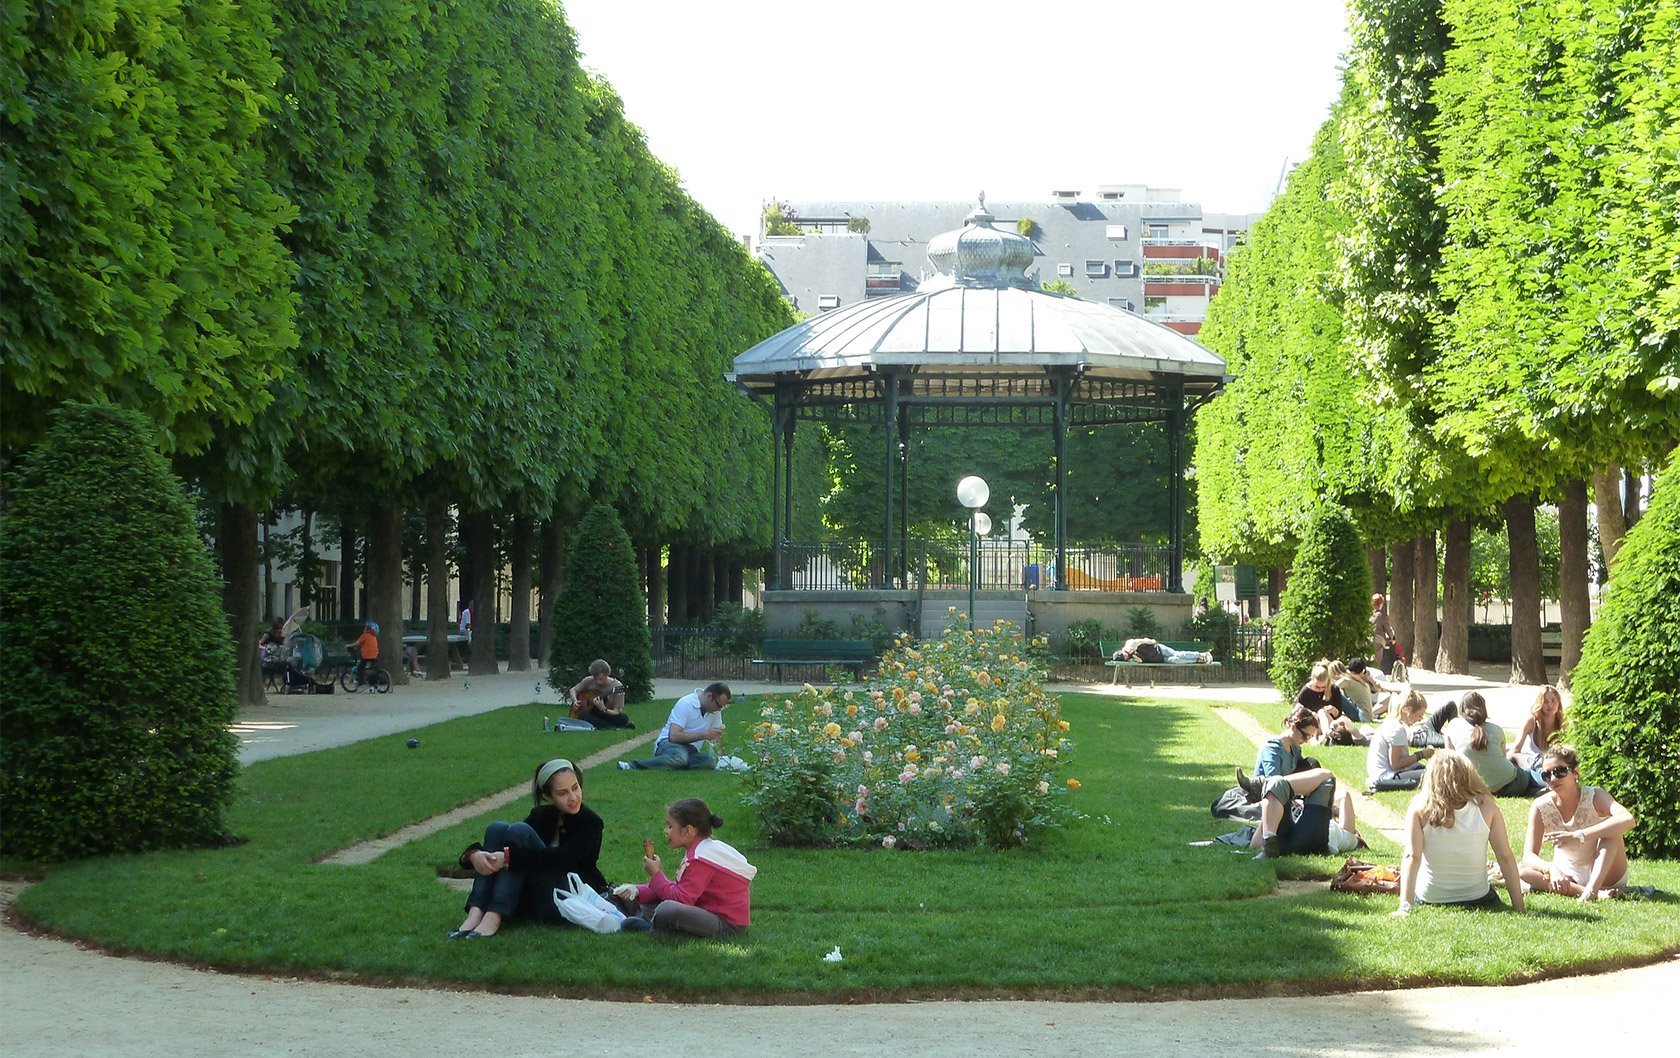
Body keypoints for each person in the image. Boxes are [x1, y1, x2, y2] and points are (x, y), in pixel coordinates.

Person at [451, 758, 606, 938]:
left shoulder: (591, 823)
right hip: (534, 898)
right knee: (497, 828)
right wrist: (473, 856)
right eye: (563, 793)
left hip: (567, 900)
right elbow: (512, 847)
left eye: (575, 787)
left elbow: (560, 859)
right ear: (548, 796)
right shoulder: (542, 816)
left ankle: (495, 914)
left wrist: (509, 859)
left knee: (519, 830)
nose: (573, 797)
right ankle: (476, 912)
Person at [1392, 749, 1526, 916]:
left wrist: (1405, 906)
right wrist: (1519, 908)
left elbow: (1412, 856)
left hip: (1431, 897)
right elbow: (1505, 856)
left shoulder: (1420, 806)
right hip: (1478, 897)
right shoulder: (1486, 805)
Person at [617, 797, 755, 938]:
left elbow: (681, 900)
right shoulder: (700, 850)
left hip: (727, 926)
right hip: (705, 911)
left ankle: (653, 929)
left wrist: (656, 874)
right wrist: (637, 890)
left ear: (688, 830)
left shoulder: (701, 859)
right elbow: (680, 888)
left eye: (670, 826)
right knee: (652, 903)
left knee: (667, 909)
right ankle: (648, 917)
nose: (666, 831)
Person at [1518, 744, 1635, 902]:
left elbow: (1627, 819)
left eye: (1560, 771)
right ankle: (1591, 893)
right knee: (1522, 870)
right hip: (1568, 873)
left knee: (1611, 830)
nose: (1553, 779)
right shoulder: (1540, 806)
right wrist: (1551, 869)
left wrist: (1579, 835)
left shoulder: (1595, 795)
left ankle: (1592, 890)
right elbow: (1529, 856)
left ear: (1575, 772)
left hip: (1605, 872)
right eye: (1546, 775)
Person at [1239, 706, 1343, 859]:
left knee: (1312, 764)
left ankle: (1258, 785)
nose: (1306, 741)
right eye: (1305, 736)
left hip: (1285, 796)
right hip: (1269, 799)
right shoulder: (1272, 748)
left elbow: (1300, 775)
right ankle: (1258, 786)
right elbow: (1273, 780)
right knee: (1276, 784)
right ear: (1294, 727)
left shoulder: (1295, 748)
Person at [618, 683, 732, 770]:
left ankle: (673, 764)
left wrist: (723, 759)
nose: (719, 709)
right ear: (710, 696)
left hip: (690, 750)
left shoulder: (714, 711)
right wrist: (705, 735)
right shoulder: (686, 703)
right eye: (719, 705)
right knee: (680, 758)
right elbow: (674, 736)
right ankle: (634, 765)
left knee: (710, 762)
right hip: (669, 743)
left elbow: (717, 738)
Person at [1443, 691, 1535, 796]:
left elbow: (1449, 761)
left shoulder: (1452, 727)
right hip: (1508, 785)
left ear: (1462, 709)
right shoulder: (1496, 729)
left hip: (1471, 788)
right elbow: (1503, 756)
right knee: (1526, 772)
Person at [1367, 686, 1435, 791]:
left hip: (1379, 774)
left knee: (1422, 768)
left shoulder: (1391, 723)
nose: (1421, 719)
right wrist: (1422, 754)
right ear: (1407, 710)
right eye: (1419, 715)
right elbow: (1396, 764)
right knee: (1434, 774)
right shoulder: (1397, 730)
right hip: (1386, 777)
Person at [1298, 662, 1366, 742]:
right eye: (1317, 687)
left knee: (1331, 715)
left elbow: (1339, 714)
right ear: (1312, 680)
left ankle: (1328, 736)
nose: (1320, 690)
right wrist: (1311, 714)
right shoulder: (1306, 691)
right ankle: (1327, 736)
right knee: (1321, 712)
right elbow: (1299, 713)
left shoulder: (1333, 689)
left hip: (1332, 723)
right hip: (1313, 724)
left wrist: (1333, 710)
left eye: (1323, 687)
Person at [1510, 684, 1566, 774]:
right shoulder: (1532, 722)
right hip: (1532, 768)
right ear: (1540, 703)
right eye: (1545, 701)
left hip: (1555, 769)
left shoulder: (1563, 723)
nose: (1550, 705)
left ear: (1559, 703)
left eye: (1553, 701)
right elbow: (1515, 750)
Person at [570, 660, 633, 729]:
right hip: (591, 713)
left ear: (607, 674)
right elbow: (573, 690)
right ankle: (610, 727)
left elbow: (616, 711)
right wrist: (575, 701)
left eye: (600, 679)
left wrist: (603, 709)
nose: (598, 682)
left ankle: (605, 726)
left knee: (623, 718)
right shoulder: (588, 681)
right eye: (595, 678)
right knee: (582, 716)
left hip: (607, 713)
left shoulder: (617, 686)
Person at [1113, 638, 1212, 664]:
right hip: (1158, 658)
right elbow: (1140, 661)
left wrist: (1151, 641)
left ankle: (1201, 654)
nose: (1126, 658)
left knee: (1177, 654)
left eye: (1124, 656)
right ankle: (1198, 660)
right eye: (1124, 659)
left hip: (1158, 649)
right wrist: (1133, 658)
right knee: (1176, 660)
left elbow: (1141, 641)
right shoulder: (1131, 658)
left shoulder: (1129, 645)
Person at [1371, 593, 1397, 674]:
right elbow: (1388, 629)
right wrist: (1392, 638)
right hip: (1378, 641)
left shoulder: (1370, 615)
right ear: (1381, 604)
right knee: (1377, 661)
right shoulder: (1381, 616)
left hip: (1368, 640)